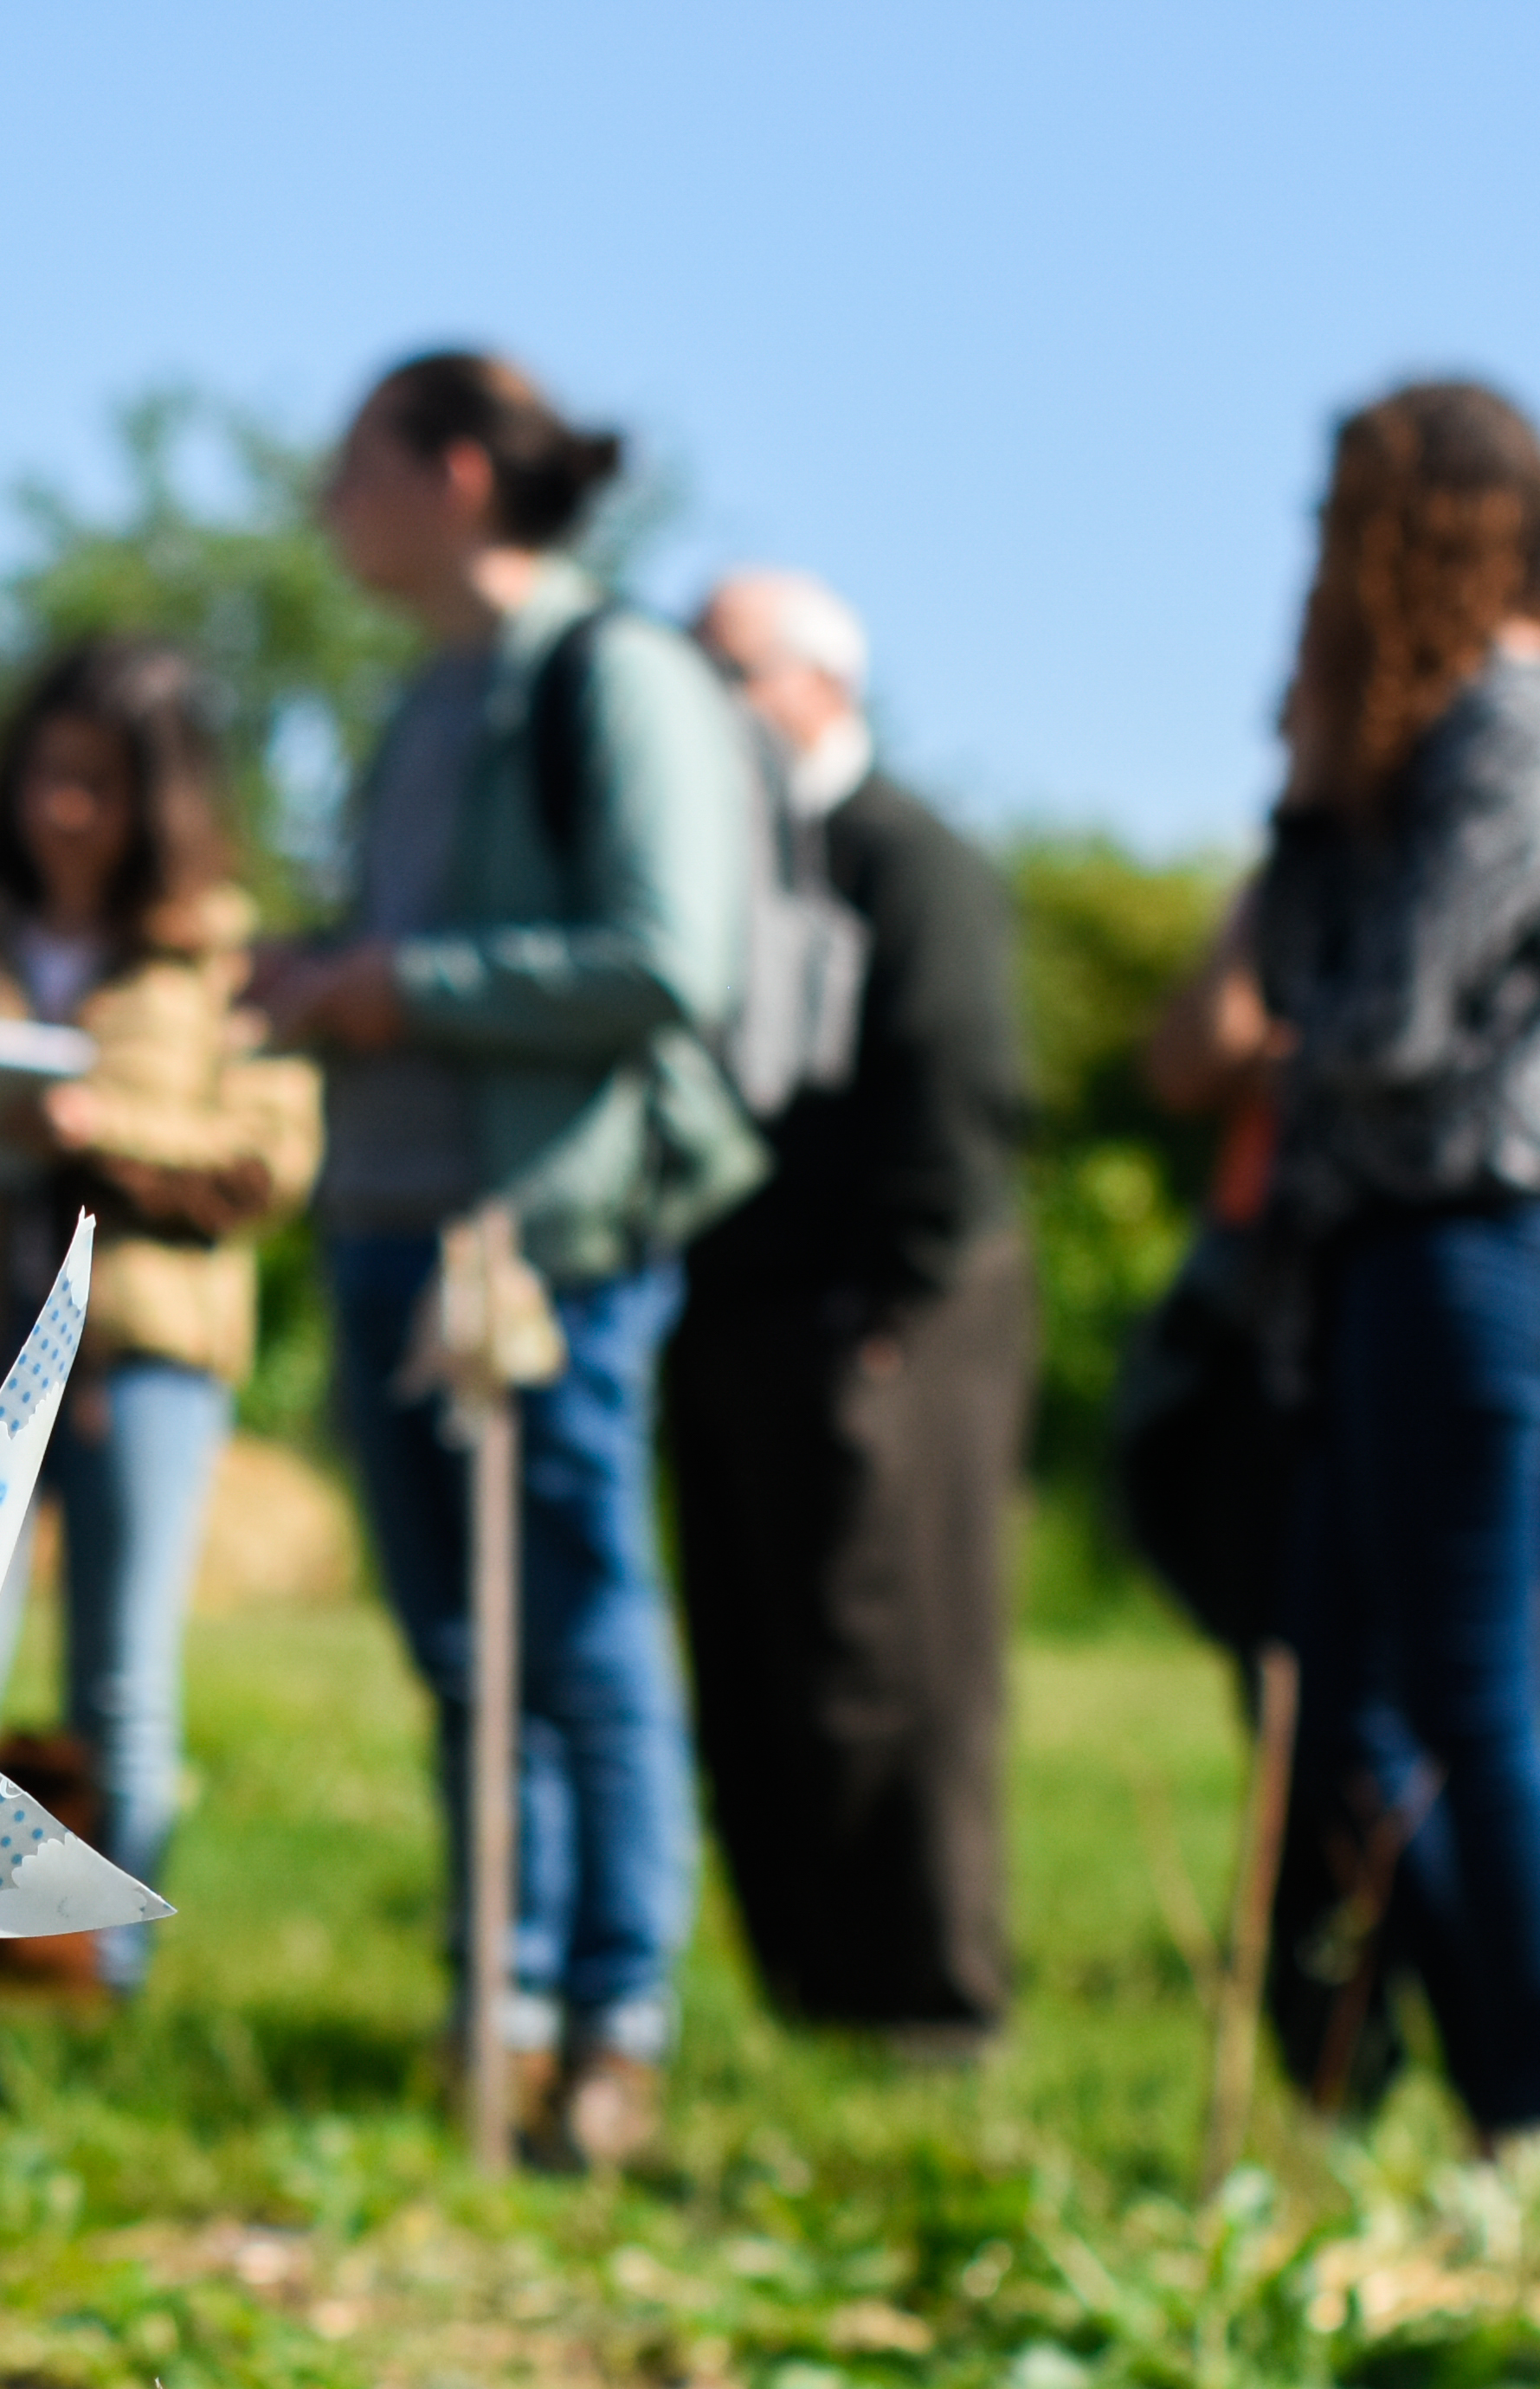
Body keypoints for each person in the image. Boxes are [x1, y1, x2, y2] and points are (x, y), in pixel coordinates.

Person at [254, 349, 767, 2172]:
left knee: (581, 1623)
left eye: (357, 464)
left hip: (539, 1240)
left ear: (460, 473)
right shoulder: (424, 700)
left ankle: (615, 2027)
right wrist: (314, 971)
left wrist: (399, 990)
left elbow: (663, 955)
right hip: (393, 1222)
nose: (329, 504)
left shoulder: (614, 676)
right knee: (467, 1647)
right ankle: (507, 2007)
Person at [1208, 378, 1540, 2144]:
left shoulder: (1529, 719)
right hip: (1390, 1252)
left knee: (1466, 1689)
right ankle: (1443, 2078)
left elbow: (1384, 1013)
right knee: (1345, 1691)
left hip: (1479, 1238)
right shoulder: (1450, 722)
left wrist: (1320, 815)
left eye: (1345, 506)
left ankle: (1529, 2112)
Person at [0, 634, 317, 1973]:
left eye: (97, 784)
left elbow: (269, 1160)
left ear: (161, 801)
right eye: (44, 777)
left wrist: (102, 1128)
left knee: (123, 1683)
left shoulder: (220, 957)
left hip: (142, 1358)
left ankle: (94, 1976)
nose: (63, 810)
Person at [669, 566, 1037, 2051]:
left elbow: (962, 1087)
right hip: (752, 1312)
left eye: (727, 676)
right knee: (763, 1662)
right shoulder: (747, 862)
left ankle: (928, 2000)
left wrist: (894, 1297)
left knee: (900, 1658)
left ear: (818, 685)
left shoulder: (911, 858)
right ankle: (815, 1993)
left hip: (899, 1316)